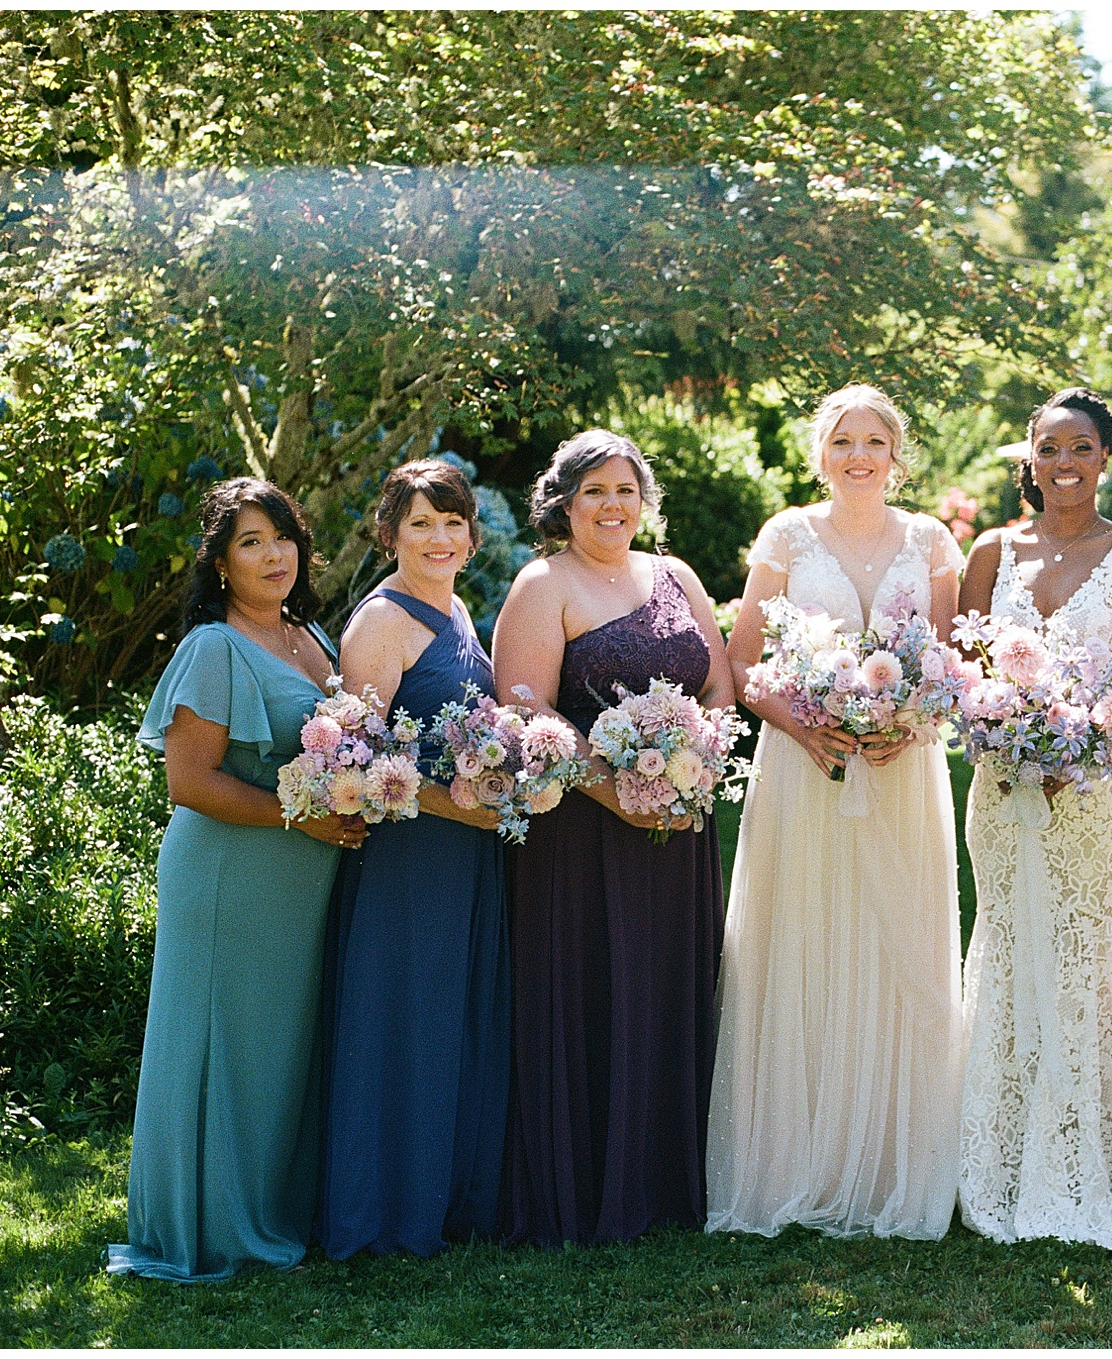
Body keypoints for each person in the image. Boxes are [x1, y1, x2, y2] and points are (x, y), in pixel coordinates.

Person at [707, 384, 968, 1240]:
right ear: (821, 454)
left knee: (901, 946)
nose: (858, 456)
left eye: (875, 441)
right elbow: (744, 662)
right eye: (842, 441)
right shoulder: (785, 535)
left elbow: (948, 664)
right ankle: (798, 1160)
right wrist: (807, 727)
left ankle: (895, 1160)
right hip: (803, 766)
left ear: (898, 454)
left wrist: (913, 720)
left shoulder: (931, 541)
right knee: (806, 940)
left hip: (901, 769)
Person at [109, 479, 361, 1282]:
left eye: (282, 536)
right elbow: (190, 781)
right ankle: (208, 1228)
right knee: (220, 1044)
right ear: (220, 563)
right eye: (251, 541)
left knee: (277, 1050)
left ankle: (275, 1207)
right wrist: (304, 819)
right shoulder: (213, 647)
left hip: (301, 881)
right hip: (229, 874)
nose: (273, 553)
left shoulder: (312, 633)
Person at [494, 431, 735, 1245]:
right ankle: (590, 1181)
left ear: (644, 500)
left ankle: (669, 1176)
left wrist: (693, 765)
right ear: (564, 503)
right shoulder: (542, 584)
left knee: (669, 981)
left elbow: (721, 688)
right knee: (595, 985)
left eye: (625, 490)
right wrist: (618, 787)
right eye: (594, 490)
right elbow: (527, 709)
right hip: (582, 833)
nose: (612, 505)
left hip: (676, 823)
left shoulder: (678, 577)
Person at [956, 386, 1112, 1249]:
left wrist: (1089, 737)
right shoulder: (990, 550)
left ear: (1104, 459)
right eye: (1049, 448)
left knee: (1084, 949)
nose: (1064, 465)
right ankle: (1000, 1164)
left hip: (1098, 790)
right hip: (1005, 790)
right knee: (1010, 945)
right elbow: (959, 667)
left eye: (1081, 449)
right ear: (1029, 456)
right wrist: (1005, 732)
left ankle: (1087, 1165)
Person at [318, 460, 512, 1259]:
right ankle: (385, 1211)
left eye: (453, 522)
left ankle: (448, 1195)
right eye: (421, 522)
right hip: (408, 857)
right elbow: (356, 766)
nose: (440, 537)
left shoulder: (460, 608)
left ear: (471, 535)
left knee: (452, 1016)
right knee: (404, 1019)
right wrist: (451, 802)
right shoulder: (380, 623)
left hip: (465, 854)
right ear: (389, 531)